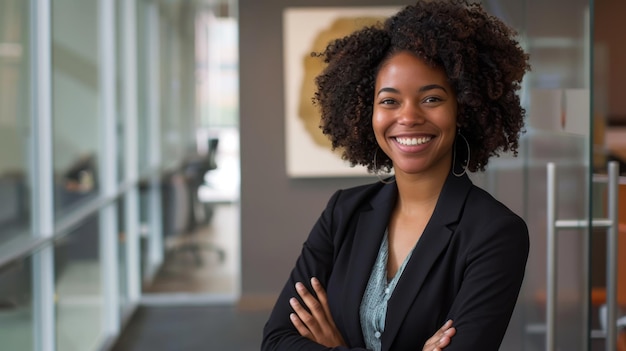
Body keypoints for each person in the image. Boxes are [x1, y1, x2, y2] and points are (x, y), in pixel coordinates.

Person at [262, 0, 530, 350]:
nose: (408, 117)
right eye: (389, 101)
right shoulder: (343, 212)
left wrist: (335, 346)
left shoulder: (495, 233)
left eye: (431, 99)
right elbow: (277, 341)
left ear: (463, 108)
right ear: (366, 112)